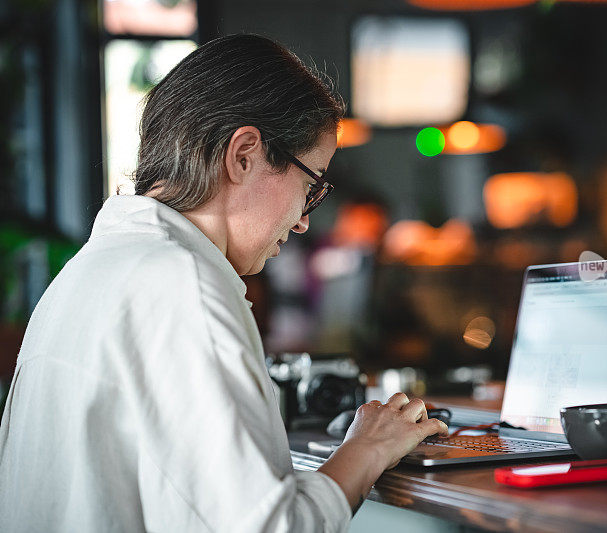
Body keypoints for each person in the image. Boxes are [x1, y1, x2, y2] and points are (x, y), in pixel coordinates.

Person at [0, 34, 447, 532]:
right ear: (243, 155)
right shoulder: (180, 283)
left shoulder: (89, 271)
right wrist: (368, 447)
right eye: (311, 185)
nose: (302, 221)